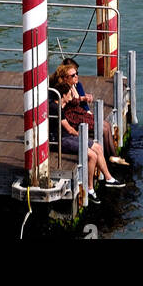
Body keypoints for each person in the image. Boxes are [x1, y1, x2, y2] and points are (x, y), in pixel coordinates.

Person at [50, 61, 127, 201]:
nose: (76, 76)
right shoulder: (57, 108)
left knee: (97, 146)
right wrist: (82, 136)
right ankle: (90, 189)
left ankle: (109, 178)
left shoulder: (66, 96)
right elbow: (69, 129)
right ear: (63, 95)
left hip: (70, 132)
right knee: (92, 154)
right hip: (63, 138)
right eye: (73, 75)